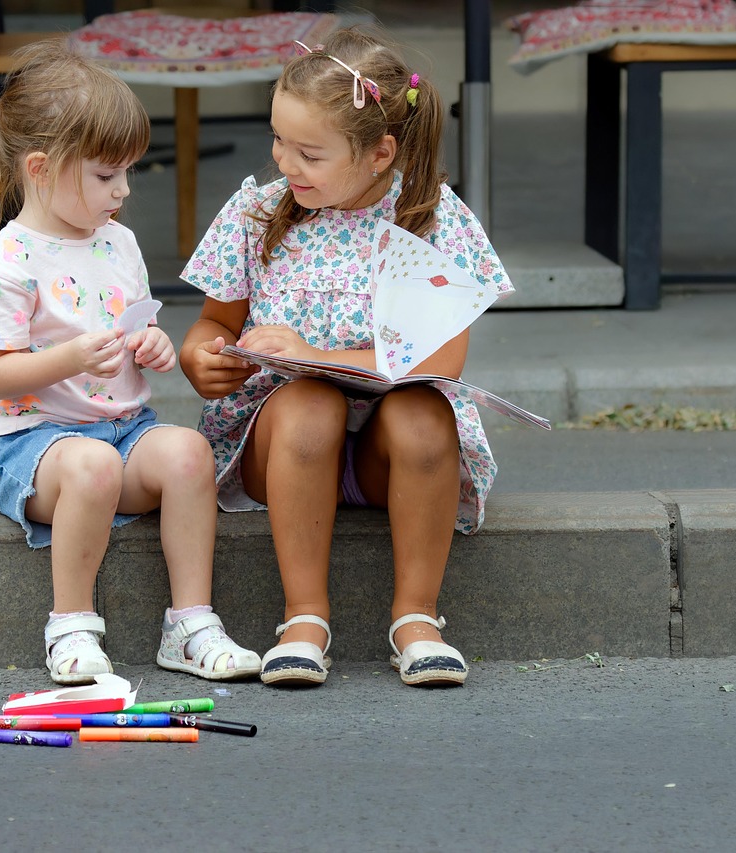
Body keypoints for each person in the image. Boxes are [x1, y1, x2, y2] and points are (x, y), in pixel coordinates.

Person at [179, 28, 514, 688]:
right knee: (310, 401)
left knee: (422, 413)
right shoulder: (260, 211)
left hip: (393, 460)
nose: (286, 164)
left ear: (379, 153)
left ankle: (417, 618)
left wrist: (315, 351)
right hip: (285, 448)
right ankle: (304, 618)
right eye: (278, 141)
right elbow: (213, 322)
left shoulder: (426, 217)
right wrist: (202, 357)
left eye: (309, 152)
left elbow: (442, 358)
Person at [0, 40, 260, 686]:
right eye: (105, 175)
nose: (123, 189)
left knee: (188, 451)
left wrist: (150, 344)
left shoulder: (117, 242)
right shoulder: (5, 265)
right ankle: (70, 623)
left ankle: (191, 621)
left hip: (123, 430)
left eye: (127, 171)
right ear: (40, 168)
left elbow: (136, 323)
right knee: (92, 465)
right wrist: (65, 357)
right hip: (34, 446)